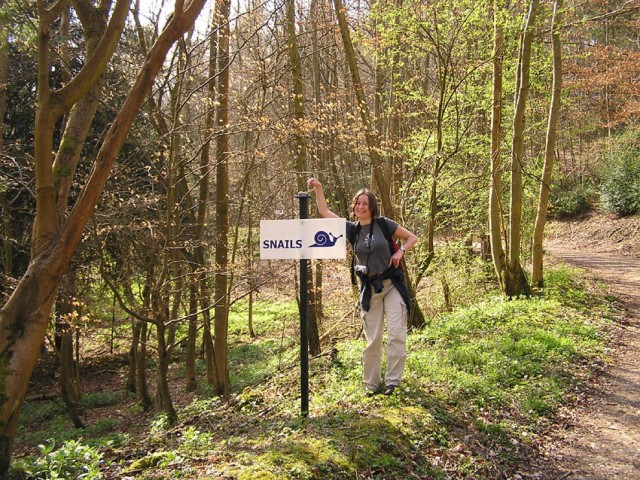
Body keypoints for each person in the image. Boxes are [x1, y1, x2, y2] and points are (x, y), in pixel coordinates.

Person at [307, 178, 418, 396]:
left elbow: (412, 237)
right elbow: (324, 211)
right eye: (358, 203)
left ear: (372, 206)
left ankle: (393, 381)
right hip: (369, 288)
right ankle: (372, 384)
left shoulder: (385, 224)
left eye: (365, 203)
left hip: (392, 284)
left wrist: (400, 252)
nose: (361, 207)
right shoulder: (352, 230)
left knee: (396, 334)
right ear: (354, 207)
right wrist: (319, 188)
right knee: (373, 338)